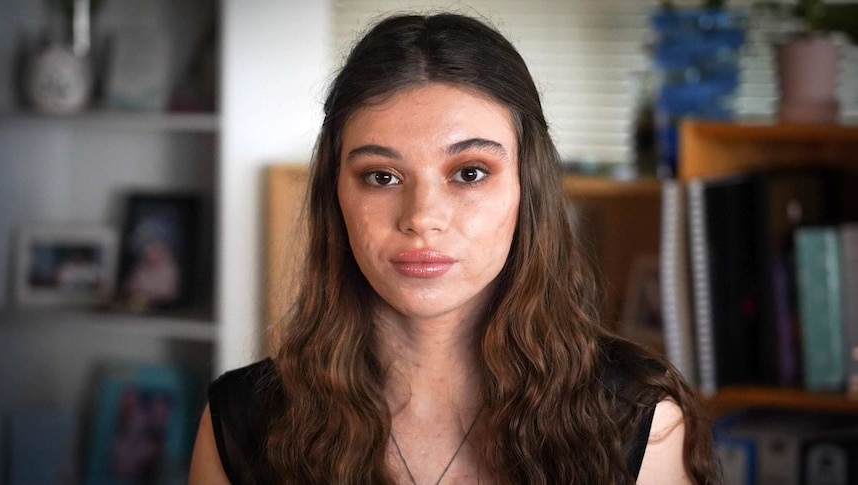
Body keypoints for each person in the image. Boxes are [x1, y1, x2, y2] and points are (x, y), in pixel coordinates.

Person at [189, 12, 721, 485]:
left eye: (469, 173)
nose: (422, 218)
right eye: (381, 176)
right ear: (337, 194)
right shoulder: (242, 421)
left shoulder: (638, 418)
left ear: (525, 187)